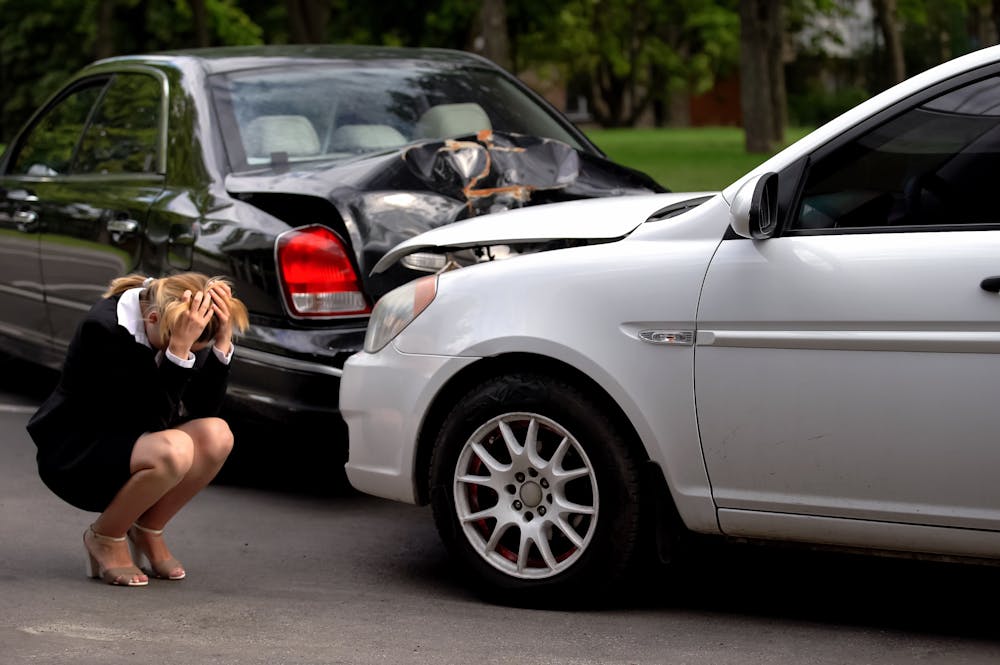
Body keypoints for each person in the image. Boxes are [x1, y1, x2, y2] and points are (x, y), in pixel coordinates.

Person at [27, 272, 249, 587]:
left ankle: (147, 529)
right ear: (153, 318)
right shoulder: (104, 329)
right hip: (78, 453)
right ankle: (105, 536)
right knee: (175, 450)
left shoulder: (179, 317)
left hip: (133, 442)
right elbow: (149, 420)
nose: (192, 353)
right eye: (184, 342)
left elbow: (202, 411)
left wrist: (221, 342)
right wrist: (179, 351)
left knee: (217, 435)